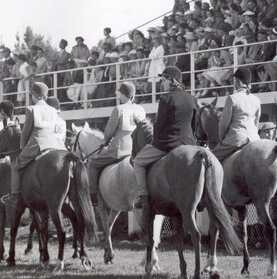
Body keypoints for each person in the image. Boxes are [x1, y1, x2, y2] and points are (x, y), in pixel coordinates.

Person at [132, 66, 200, 206]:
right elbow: (195, 125)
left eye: (163, 80)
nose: (161, 83)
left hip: (168, 143)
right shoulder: (192, 99)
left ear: (173, 81)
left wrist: (155, 141)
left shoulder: (166, 98)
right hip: (189, 143)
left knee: (138, 161)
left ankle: (143, 196)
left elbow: (159, 126)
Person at [86, 82, 147, 204]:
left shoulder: (118, 109)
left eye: (120, 94)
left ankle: (92, 195)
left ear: (124, 95)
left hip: (119, 151)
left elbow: (108, 134)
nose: (119, 97)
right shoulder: (141, 109)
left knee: (92, 163)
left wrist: (105, 142)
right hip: (137, 150)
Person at [9, 83, 66, 204]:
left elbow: (25, 133)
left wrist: (22, 148)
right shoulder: (53, 110)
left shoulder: (31, 109)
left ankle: (14, 196)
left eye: (31, 95)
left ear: (34, 95)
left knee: (15, 166)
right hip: (57, 145)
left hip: (39, 144)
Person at [211, 67, 261, 162]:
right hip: (254, 139)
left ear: (238, 82)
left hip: (236, 139)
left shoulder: (232, 98)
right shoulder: (257, 100)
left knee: (210, 159)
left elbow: (224, 124)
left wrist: (222, 139)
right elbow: (256, 123)